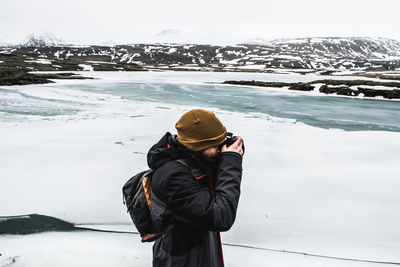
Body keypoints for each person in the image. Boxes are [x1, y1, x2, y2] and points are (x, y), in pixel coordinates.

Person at [147, 109, 243, 267]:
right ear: (198, 147)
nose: (221, 149)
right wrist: (230, 162)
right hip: (181, 258)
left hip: (201, 249)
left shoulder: (195, 159)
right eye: (216, 146)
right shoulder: (173, 177)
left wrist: (227, 157)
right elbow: (222, 216)